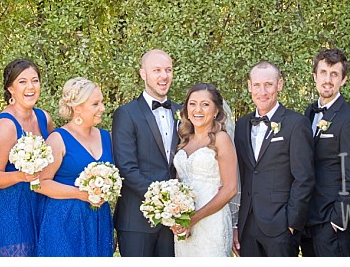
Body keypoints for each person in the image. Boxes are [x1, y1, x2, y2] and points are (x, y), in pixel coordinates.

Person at [232, 61, 315, 257]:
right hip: (247, 226)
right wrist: (236, 224)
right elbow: (240, 175)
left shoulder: (296, 124)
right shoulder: (241, 125)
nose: (262, 91)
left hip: (280, 228)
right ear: (249, 87)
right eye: (257, 85)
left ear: (280, 85)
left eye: (268, 84)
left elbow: (304, 178)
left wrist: (292, 223)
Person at [0, 58, 54, 256]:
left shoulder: (44, 118)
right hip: (9, 209)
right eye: (22, 82)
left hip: (39, 203)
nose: (30, 87)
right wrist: (21, 176)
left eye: (35, 80)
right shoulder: (5, 126)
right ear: (10, 88)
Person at [35, 77, 115, 257]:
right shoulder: (58, 139)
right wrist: (82, 194)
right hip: (65, 220)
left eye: (101, 102)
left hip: (97, 220)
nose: (102, 108)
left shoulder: (106, 137)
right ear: (77, 107)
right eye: (96, 104)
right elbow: (40, 183)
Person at [112, 49, 181, 257]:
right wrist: (162, 200)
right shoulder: (126, 114)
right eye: (157, 70)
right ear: (143, 74)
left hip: (173, 223)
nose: (164, 76)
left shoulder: (181, 112)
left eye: (168, 70)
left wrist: (176, 207)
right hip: (136, 221)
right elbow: (126, 167)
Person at [301, 49, 350, 257]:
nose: (327, 80)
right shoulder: (309, 113)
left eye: (334, 74)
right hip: (307, 220)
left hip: (332, 222)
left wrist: (338, 218)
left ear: (343, 80)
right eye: (323, 73)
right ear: (315, 77)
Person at [170, 83, 239, 256]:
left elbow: (231, 189)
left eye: (205, 104)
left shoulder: (221, 139)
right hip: (185, 224)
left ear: (216, 110)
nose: (197, 109)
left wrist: (194, 218)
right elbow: (179, 185)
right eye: (192, 104)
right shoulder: (185, 139)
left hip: (211, 222)